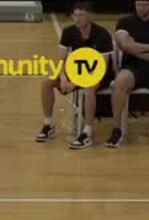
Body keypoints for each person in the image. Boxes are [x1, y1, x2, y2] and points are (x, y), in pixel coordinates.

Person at [34, 2, 113, 149]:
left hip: (97, 73)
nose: (77, 19)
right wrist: (63, 77)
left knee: (89, 88)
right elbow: (61, 60)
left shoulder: (102, 34)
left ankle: (87, 132)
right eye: (75, 15)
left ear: (90, 16)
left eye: (81, 15)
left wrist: (75, 83)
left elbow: (102, 66)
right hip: (75, 71)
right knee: (47, 82)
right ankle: (48, 124)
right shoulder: (69, 32)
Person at [107, 0, 149, 148]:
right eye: (138, 4)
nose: (141, 8)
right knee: (121, 81)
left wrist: (136, 49)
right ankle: (117, 129)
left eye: (145, 4)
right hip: (132, 67)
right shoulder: (125, 22)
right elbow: (125, 45)